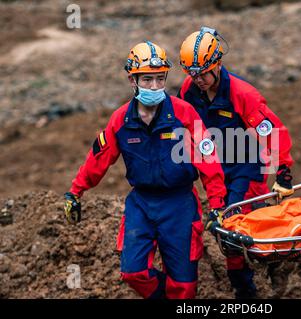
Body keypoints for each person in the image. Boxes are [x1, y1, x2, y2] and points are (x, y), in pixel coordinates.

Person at [63, 41, 227, 299]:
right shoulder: (121, 120)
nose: (154, 86)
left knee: (183, 288)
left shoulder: (184, 114)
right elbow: (98, 158)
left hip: (180, 204)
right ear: (133, 80)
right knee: (133, 273)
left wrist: (217, 204)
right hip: (142, 203)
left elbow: (209, 160)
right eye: (147, 79)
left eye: (159, 79)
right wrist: (75, 192)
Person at [178, 26, 295, 298]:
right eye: (192, 74)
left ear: (217, 64)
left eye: (203, 73)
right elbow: (188, 128)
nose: (198, 80)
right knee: (225, 229)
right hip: (217, 171)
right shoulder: (189, 91)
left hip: (247, 168)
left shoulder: (243, 95)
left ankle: (257, 281)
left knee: (236, 225)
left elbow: (272, 132)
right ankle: (249, 281)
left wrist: (284, 172)